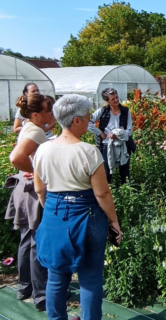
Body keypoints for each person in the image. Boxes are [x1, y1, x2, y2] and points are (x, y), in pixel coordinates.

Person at [33, 94, 122, 320]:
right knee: (90, 277)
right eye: (87, 117)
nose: (89, 120)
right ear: (75, 121)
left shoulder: (42, 149)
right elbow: (102, 192)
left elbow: (40, 189)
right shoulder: (87, 151)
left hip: (53, 212)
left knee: (56, 275)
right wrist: (114, 221)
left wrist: (52, 209)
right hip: (86, 214)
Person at [8, 93, 55, 311]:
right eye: (48, 110)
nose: (52, 113)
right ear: (36, 114)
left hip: (22, 189)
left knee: (27, 240)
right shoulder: (36, 130)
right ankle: (42, 296)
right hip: (33, 193)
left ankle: (24, 287)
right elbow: (16, 157)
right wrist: (37, 171)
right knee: (38, 242)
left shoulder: (30, 125)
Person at [88, 88, 132, 184]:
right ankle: (108, 191)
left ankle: (126, 191)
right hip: (106, 144)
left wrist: (118, 136)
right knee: (106, 171)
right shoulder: (102, 111)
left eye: (116, 97)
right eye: (113, 99)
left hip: (122, 144)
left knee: (124, 171)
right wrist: (100, 133)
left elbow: (129, 130)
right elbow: (88, 123)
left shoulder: (125, 111)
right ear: (107, 101)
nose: (116, 100)